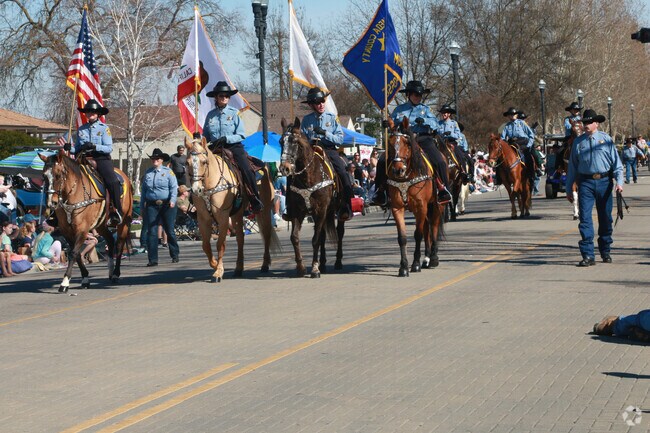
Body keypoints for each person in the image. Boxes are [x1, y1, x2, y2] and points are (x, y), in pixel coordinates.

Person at [371, 80, 452, 206]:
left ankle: (444, 190)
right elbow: (392, 123)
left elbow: (436, 125)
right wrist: (387, 124)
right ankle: (380, 191)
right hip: (404, 141)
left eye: (419, 95)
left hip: (423, 139)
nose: (418, 97)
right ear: (408, 95)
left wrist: (424, 121)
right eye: (415, 94)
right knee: (382, 161)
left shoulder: (426, 110)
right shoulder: (399, 109)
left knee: (440, 161)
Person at [565, 109, 623, 267]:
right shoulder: (578, 142)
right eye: (584, 122)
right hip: (585, 183)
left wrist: (619, 183)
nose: (586, 125)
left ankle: (605, 249)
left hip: (604, 183)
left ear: (596, 123)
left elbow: (617, 165)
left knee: (605, 218)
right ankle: (588, 255)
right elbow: (572, 167)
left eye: (589, 122)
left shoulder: (606, 140)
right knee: (585, 219)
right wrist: (569, 189)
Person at [57, 99, 123, 227]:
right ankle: (57, 213)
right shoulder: (81, 129)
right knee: (64, 178)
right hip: (83, 159)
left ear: (98, 114)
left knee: (113, 181)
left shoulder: (104, 129)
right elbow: (76, 149)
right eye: (88, 111)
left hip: (100, 159)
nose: (90, 113)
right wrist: (68, 148)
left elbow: (109, 148)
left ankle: (116, 210)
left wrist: (94, 146)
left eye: (93, 111)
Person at [202, 81, 263, 213]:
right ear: (216, 98)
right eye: (221, 95)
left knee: (246, 169)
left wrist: (227, 138)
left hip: (233, 147)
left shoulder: (235, 113)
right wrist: (198, 137)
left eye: (227, 96)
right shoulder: (210, 115)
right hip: (215, 148)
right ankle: (197, 203)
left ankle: (254, 199)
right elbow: (205, 136)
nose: (224, 98)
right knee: (199, 168)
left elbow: (241, 135)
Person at [299, 87, 353, 220]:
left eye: (322, 101)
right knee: (295, 173)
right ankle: (293, 206)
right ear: (311, 105)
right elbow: (302, 139)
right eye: (317, 102)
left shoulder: (332, 118)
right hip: (311, 151)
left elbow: (340, 139)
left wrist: (325, 133)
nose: (321, 104)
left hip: (329, 150)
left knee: (343, 172)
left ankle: (347, 205)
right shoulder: (306, 120)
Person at [141, 148, 179, 267]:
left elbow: (174, 188)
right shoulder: (148, 173)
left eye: (157, 159)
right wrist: (142, 206)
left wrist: (173, 201)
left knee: (169, 230)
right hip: (152, 204)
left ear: (161, 160)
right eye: (153, 158)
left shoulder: (168, 172)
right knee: (152, 232)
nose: (154, 160)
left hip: (167, 204)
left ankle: (175, 254)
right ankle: (153, 259)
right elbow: (143, 191)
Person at [437, 104, 474, 183]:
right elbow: (436, 133)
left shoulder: (454, 123)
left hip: (451, 143)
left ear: (449, 114)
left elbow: (457, 135)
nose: (444, 114)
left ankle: (464, 173)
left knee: (460, 155)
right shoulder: (438, 123)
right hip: (441, 144)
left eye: (446, 112)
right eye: (443, 112)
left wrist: (450, 134)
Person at [500, 107, 536, 177]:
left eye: (513, 114)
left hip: (523, 142)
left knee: (528, 156)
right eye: (510, 115)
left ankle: (532, 173)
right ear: (508, 116)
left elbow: (531, 134)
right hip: (512, 143)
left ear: (516, 115)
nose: (511, 116)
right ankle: (500, 177)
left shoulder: (522, 123)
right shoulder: (506, 126)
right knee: (501, 158)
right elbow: (502, 138)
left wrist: (529, 145)